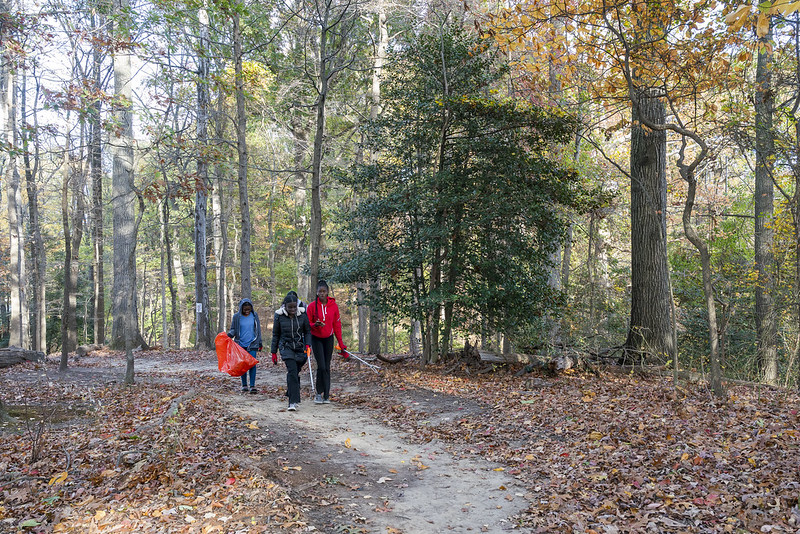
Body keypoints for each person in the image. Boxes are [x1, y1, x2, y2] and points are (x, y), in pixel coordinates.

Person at [306, 280, 348, 404]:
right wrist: (315, 325)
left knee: (327, 366)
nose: (322, 294)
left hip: (329, 338)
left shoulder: (333, 306)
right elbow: (307, 324)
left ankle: (326, 395)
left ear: (328, 292)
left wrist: (341, 343)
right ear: (317, 292)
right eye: (320, 291)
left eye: (324, 291)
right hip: (316, 338)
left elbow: (337, 325)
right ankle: (318, 393)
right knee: (321, 366)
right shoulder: (312, 306)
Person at [271, 293, 312, 411]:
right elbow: (276, 334)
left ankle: (291, 392)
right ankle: (292, 402)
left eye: (294, 307)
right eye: (290, 307)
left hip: (300, 348)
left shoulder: (303, 315)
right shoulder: (279, 316)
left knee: (295, 373)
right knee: (292, 371)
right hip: (286, 347)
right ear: (285, 306)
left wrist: (308, 344)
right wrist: (274, 352)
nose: (293, 310)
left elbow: (307, 331)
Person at [227, 298, 263, 394]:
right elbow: (233, 329)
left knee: (252, 364)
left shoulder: (254, 316)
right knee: (243, 365)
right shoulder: (236, 317)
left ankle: (252, 385)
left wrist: (260, 342)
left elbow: (258, 329)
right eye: (245, 309)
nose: (247, 311)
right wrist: (228, 336)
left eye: (249, 309)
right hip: (240, 344)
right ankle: (244, 385)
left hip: (252, 343)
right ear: (241, 308)